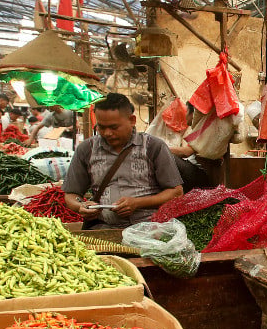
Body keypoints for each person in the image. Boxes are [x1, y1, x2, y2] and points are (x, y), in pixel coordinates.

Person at [64, 93, 183, 229]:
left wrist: (137, 203)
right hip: (103, 229)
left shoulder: (153, 147)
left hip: (149, 229)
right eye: (101, 127)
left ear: (132, 120)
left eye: (114, 127)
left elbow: (176, 192)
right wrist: (81, 206)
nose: (107, 133)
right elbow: (71, 194)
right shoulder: (86, 149)